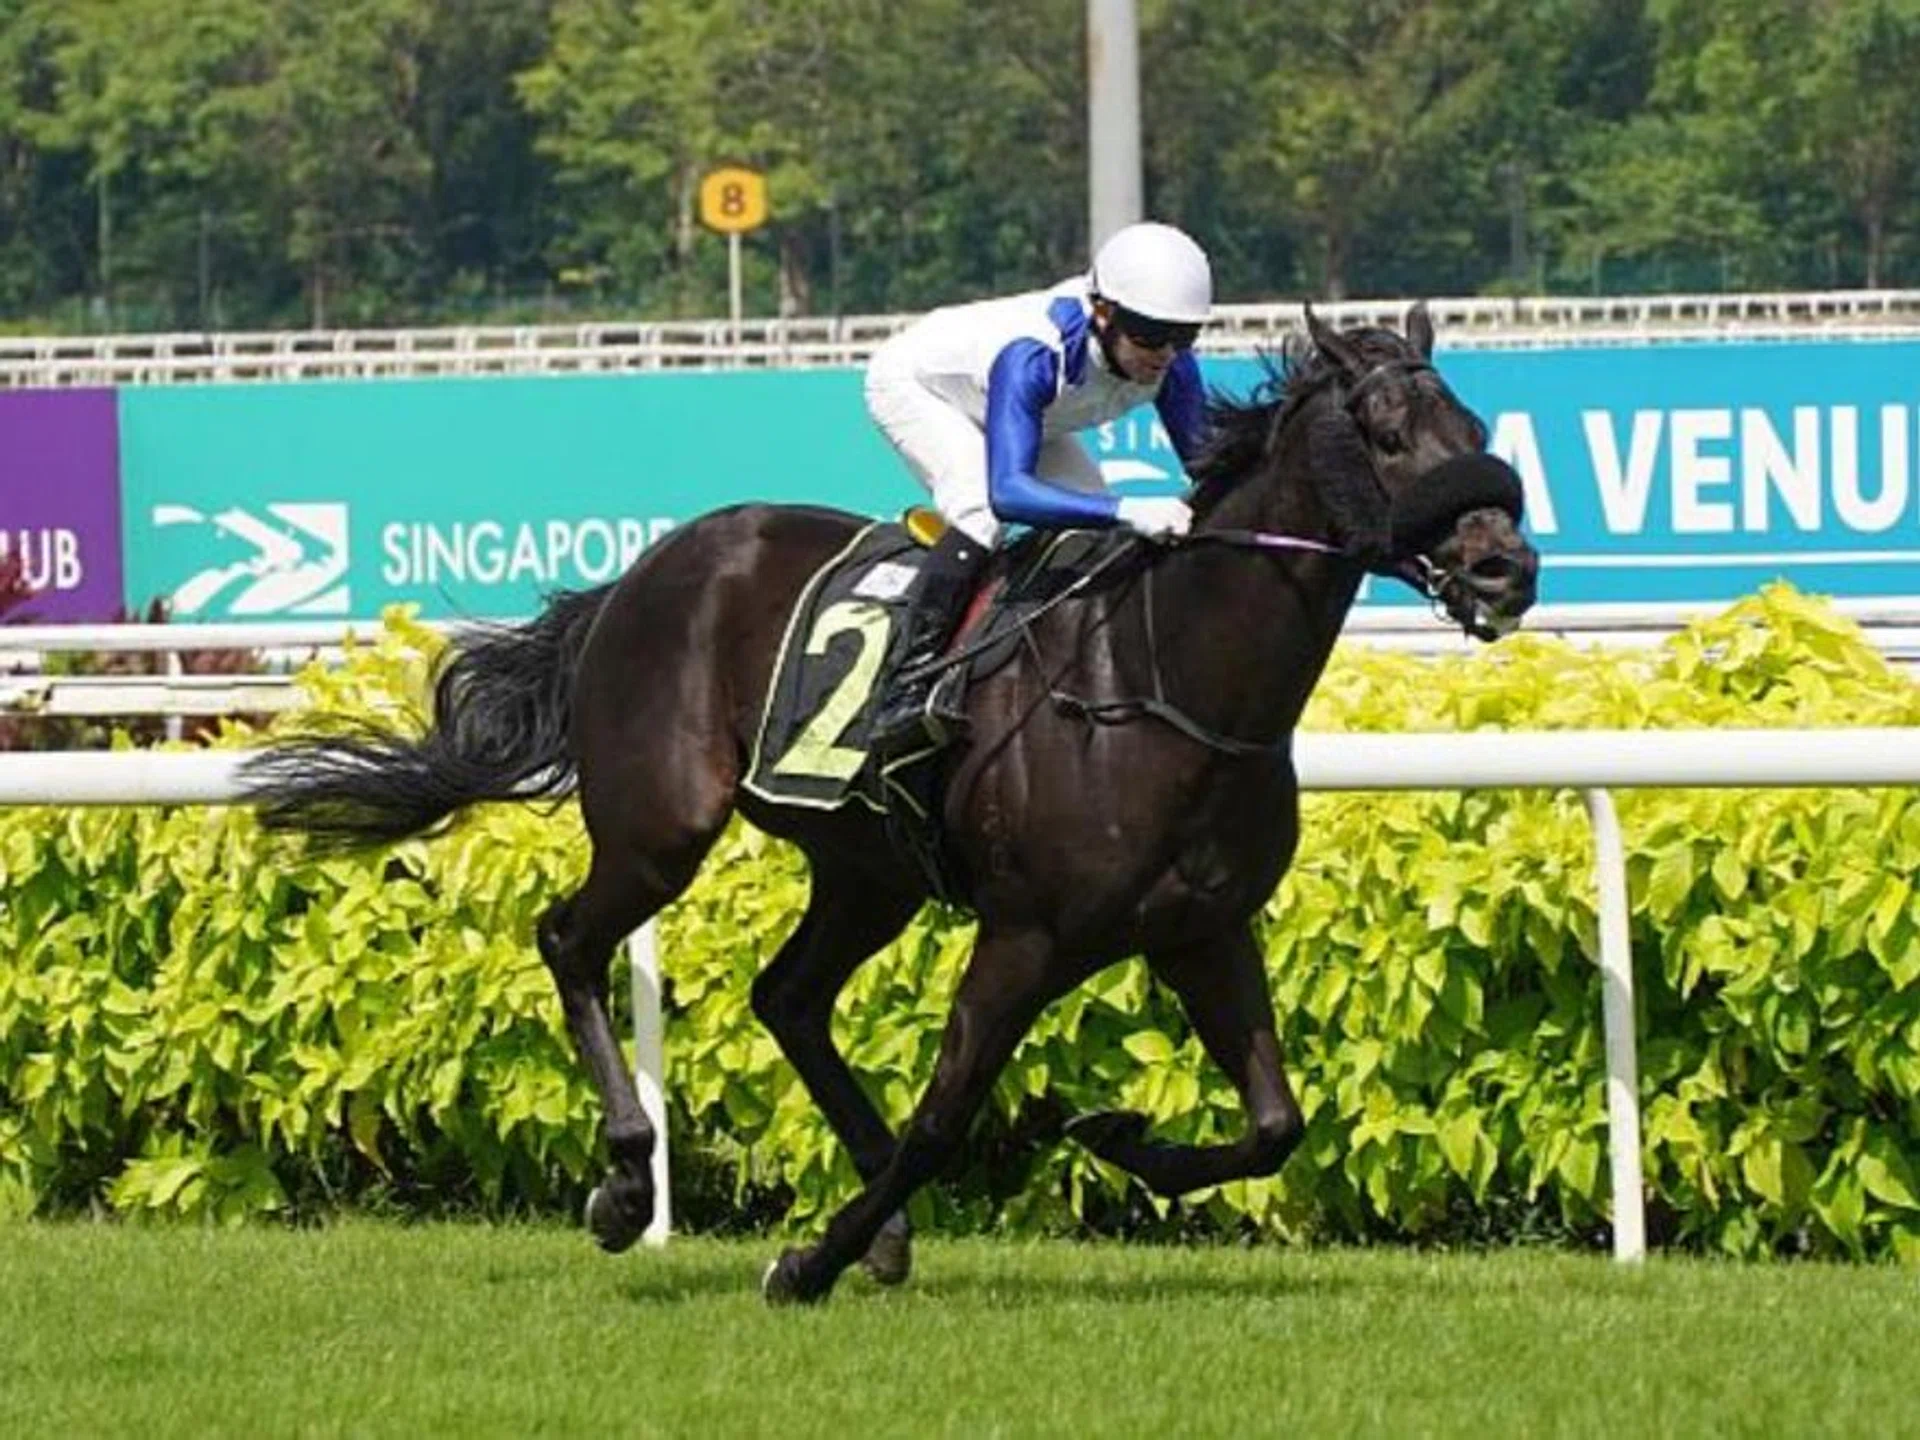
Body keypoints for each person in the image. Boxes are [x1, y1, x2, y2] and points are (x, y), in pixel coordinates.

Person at [863, 220, 1214, 757]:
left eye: (1183, 336)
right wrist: (1127, 507)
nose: (1164, 354)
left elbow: (1208, 465)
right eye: (1148, 334)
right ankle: (905, 684)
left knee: (1099, 540)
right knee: (982, 512)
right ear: (1104, 312)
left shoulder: (1170, 361)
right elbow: (1010, 494)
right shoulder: (1034, 353)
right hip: (919, 386)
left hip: (1034, 416)